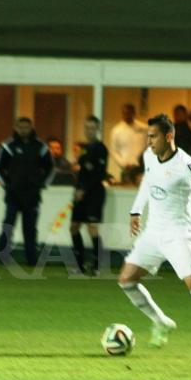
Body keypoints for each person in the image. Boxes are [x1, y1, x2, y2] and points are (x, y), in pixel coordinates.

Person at [119, 114, 191, 361]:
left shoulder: (186, 165)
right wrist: (136, 210)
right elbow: (148, 181)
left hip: (179, 234)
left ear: (169, 136)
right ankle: (161, 321)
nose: (149, 141)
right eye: (148, 136)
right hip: (153, 232)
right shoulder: (149, 156)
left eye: (153, 137)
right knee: (126, 280)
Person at [0, 117, 55, 265]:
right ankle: (2, 256)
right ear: (16, 127)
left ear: (31, 127)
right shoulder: (7, 146)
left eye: (26, 127)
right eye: (21, 127)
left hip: (32, 195)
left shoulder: (40, 147)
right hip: (13, 194)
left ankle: (31, 259)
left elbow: (51, 167)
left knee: (30, 229)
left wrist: (41, 184)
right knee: (8, 225)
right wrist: (7, 185)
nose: (23, 130)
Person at [71, 116, 110, 274]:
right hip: (81, 193)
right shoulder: (84, 148)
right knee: (74, 227)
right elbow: (82, 172)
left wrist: (84, 190)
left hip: (95, 193)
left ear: (98, 129)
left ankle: (97, 265)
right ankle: (79, 265)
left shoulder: (101, 149)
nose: (89, 131)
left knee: (92, 227)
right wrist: (77, 189)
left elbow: (99, 175)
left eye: (92, 128)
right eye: (87, 128)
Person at [109, 103, 148, 184]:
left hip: (142, 168)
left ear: (134, 113)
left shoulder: (144, 128)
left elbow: (149, 146)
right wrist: (123, 163)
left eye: (129, 113)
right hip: (126, 168)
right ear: (122, 113)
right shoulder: (116, 130)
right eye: (124, 113)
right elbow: (114, 151)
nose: (127, 115)